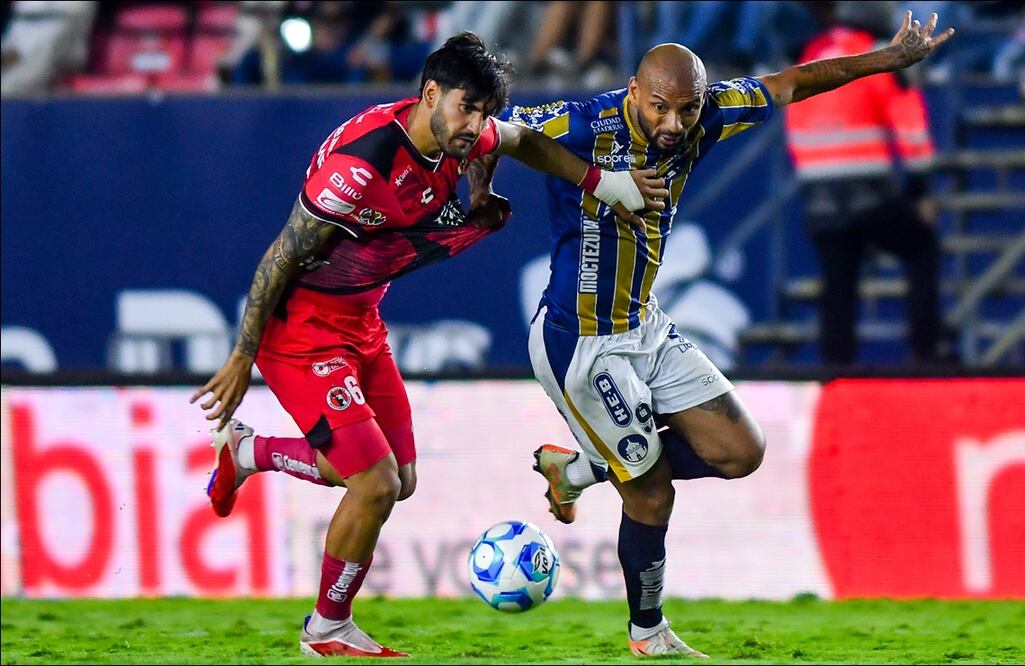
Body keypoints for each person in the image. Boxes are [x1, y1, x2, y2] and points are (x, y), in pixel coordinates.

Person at [485, 11, 952, 657]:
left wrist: (886, 59)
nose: (674, 124)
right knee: (650, 494)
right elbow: (497, 134)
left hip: (644, 324)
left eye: (687, 108)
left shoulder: (707, 115)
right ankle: (648, 633)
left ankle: (584, 467)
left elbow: (789, 83)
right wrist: (493, 195)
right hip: (580, 341)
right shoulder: (587, 120)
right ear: (632, 90)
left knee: (741, 451)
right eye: (660, 108)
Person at [190, 32, 664, 658]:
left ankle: (250, 453)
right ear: (431, 93)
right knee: (375, 483)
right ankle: (326, 628)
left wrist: (597, 182)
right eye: (467, 108)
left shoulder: (463, 135)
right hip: (301, 329)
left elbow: (522, 142)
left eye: (484, 113)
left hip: (361, 321)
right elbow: (283, 254)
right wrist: (242, 355)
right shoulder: (361, 165)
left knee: (399, 478)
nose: (476, 126)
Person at [785, 1, 944, 365]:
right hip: (869, 188)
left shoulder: (811, 53)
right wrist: (919, 190)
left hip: (817, 190)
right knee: (922, 249)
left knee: (838, 281)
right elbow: (910, 126)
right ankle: (926, 354)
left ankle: (835, 371)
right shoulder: (878, 55)